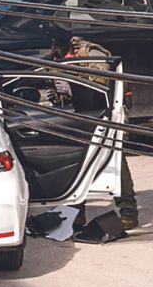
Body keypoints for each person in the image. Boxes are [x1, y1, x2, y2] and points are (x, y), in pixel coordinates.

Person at [51, 35, 139, 230]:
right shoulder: (64, 60)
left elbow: (102, 80)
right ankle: (76, 213)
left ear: (72, 51)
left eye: (66, 60)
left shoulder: (92, 54)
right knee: (80, 162)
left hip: (110, 113)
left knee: (115, 161)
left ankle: (129, 212)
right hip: (86, 114)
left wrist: (73, 83)